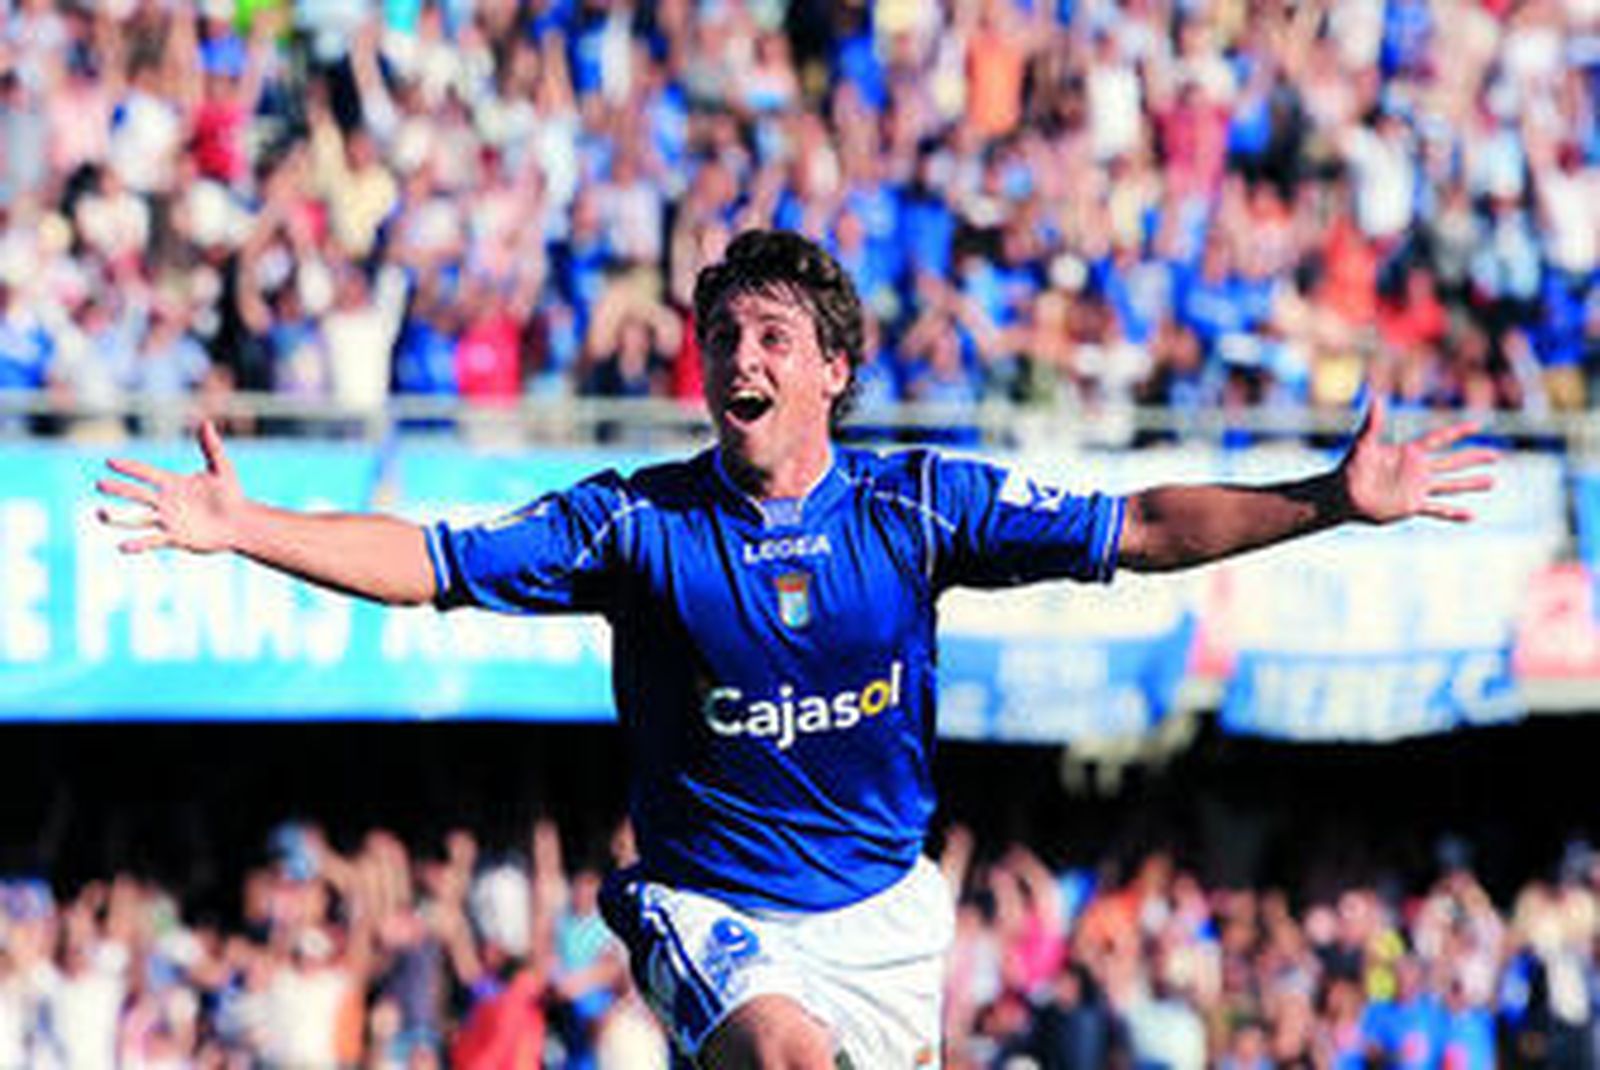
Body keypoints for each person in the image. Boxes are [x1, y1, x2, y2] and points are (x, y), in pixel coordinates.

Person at [97, 229, 1495, 1069]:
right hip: (713, 903)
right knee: (784, 1054)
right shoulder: (635, 526)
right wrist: (247, 523)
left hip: (885, 919)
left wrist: (1327, 501)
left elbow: (1139, 525)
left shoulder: (920, 507)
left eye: (769, 332)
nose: (735, 354)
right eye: (720, 335)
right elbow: (431, 564)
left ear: (833, 368)